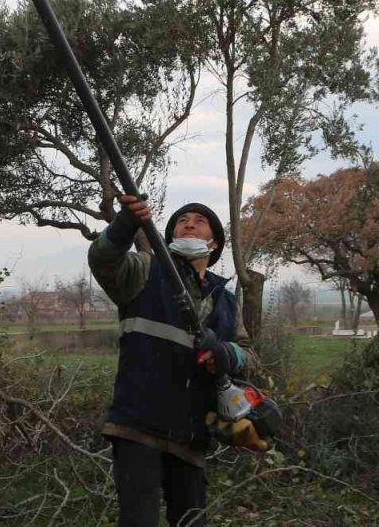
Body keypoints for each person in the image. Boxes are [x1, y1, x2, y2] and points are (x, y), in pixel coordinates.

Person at [88, 195, 253, 527]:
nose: (189, 224)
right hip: (138, 427)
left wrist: (227, 353)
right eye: (181, 221)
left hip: (192, 436)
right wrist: (124, 224)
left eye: (199, 221)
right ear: (171, 235)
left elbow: (249, 355)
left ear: (214, 243)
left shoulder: (226, 300)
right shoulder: (145, 269)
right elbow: (103, 259)